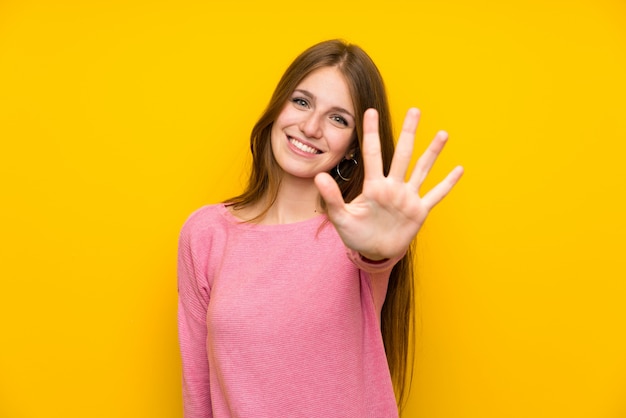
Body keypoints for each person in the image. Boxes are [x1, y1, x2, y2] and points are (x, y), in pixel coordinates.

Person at [177, 39, 464, 418]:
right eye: (301, 101)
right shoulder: (207, 233)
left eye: (338, 118)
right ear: (278, 106)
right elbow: (197, 395)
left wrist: (381, 250)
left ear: (352, 147)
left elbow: (373, 254)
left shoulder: (358, 236)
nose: (311, 127)